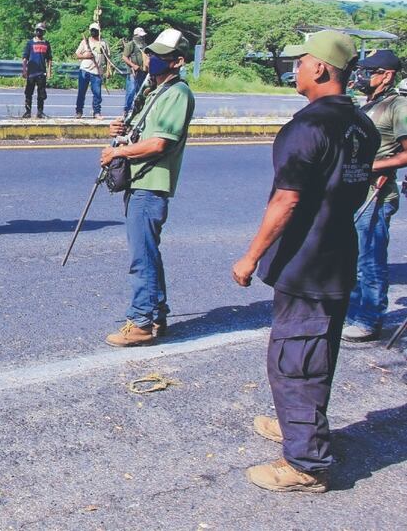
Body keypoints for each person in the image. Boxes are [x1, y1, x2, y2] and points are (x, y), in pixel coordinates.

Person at [231, 30, 378, 493]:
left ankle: (307, 463)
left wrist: (250, 256)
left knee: (295, 358)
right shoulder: (362, 125)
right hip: (337, 252)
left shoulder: (308, 127)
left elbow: (287, 201)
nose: (295, 69)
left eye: (300, 62)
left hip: (307, 259)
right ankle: (298, 425)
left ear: (319, 68)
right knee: (318, 350)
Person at [100, 29, 195, 347]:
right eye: (151, 53)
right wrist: (122, 131)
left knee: (141, 257)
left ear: (178, 62)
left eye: (160, 56)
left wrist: (118, 152)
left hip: (151, 184)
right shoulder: (155, 91)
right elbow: (142, 133)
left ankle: (141, 321)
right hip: (141, 180)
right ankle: (157, 315)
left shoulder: (178, 93)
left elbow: (159, 143)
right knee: (148, 253)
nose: (151, 59)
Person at [342, 50, 407, 341]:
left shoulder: (398, 106)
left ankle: (370, 319)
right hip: (352, 190)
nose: (362, 76)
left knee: (369, 258)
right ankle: (354, 312)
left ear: (387, 75)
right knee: (350, 256)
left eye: (370, 71)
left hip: (376, 192)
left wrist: (372, 166)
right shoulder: (367, 104)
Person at [75, 22, 108, 119]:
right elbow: (77, 54)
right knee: (81, 92)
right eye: (92, 30)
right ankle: (79, 111)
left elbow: (107, 58)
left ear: (99, 31)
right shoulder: (85, 42)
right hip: (85, 70)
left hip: (97, 71)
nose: (93, 32)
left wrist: (108, 70)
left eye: (95, 30)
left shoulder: (103, 43)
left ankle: (96, 112)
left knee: (97, 93)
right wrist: (85, 56)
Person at [21, 23, 53, 119]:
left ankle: (40, 112)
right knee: (28, 93)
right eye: (37, 30)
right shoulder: (30, 43)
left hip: (41, 72)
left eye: (41, 30)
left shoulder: (46, 44)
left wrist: (49, 71)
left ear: (44, 32)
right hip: (31, 72)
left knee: (41, 93)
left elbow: (49, 59)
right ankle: (28, 111)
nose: (39, 32)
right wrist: (24, 70)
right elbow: (25, 58)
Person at [122, 27, 149, 118]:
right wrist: (133, 66)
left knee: (140, 92)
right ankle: (127, 110)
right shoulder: (131, 44)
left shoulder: (145, 45)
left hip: (143, 72)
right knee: (131, 91)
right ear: (136, 36)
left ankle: (138, 110)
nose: (142, 38)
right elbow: (125, 57)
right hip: (133, 72)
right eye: (141, 36)